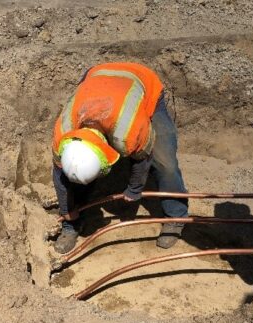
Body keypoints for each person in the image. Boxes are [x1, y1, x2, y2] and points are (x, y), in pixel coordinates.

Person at [51, 62, 189, 254]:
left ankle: (176, 217)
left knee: (166, 163)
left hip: (142, 83)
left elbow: (143, 156)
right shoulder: (62, 135)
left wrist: (135, 188)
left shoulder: (129, 131)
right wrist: (66, 210)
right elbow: (60, 177)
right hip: (97, 77)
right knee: (74, 176)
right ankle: (72, 225)